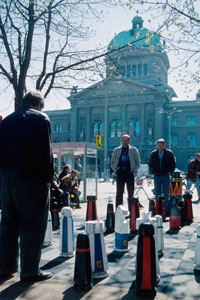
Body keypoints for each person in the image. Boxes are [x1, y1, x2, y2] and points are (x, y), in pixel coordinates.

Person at [0, 90, 54, 282]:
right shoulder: (41, 119)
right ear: (39, 104)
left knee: (8, 224)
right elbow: (44, 152)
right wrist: (48, 178)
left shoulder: (7, 121)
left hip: (5, 177)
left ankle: (6, 267)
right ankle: (30, 270)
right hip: (30, 178)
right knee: (32, 224)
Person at [111, 133, 141, 211]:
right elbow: (112, 162)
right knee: (119, 193)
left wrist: (134, 170)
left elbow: (138, 162)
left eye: (126, 140)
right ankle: (119, 209)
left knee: (130, 193)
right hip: (120, 172)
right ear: (121, 140)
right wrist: (115, 170)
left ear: (129, 141)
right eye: (123, 140)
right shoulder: (116, 150)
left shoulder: (134, 150)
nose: (124, 142)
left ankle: (131, 209)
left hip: (129, 172)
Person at [148, 138, 176, 217]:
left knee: (166, 194)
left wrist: (170, 171)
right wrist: (152, 171)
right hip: (156, 175)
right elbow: (150, 163)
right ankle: (158, 209)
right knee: (157, 193)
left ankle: (166, 211)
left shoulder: (169, 153)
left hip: (165, 175)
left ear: (164, 145)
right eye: (158, 145)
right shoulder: (153, 153)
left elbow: (173, 163)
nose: (160, 146)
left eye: (161, 145)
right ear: (157, 145)